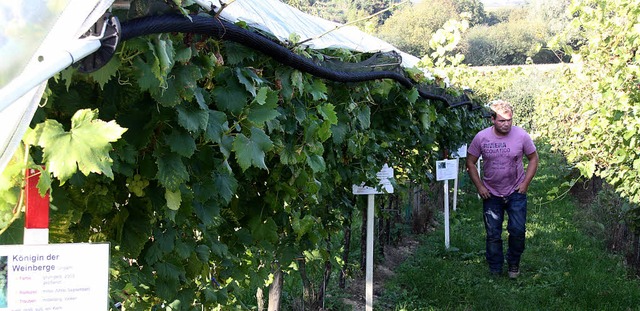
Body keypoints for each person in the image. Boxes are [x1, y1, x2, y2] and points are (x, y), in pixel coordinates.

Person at [465, 100, 539, 278]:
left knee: (518, 230)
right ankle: (495, 268)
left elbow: (534, 158)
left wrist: (525, 184)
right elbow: (470, 162)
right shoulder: (481, 137)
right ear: (492, 119)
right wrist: (480, 187)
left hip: (516, 191)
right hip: (491, 193)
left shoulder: (521, 136)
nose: (506, 124)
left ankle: (514, 263)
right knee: (493, 233)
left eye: (509, 120)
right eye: (501, 121)